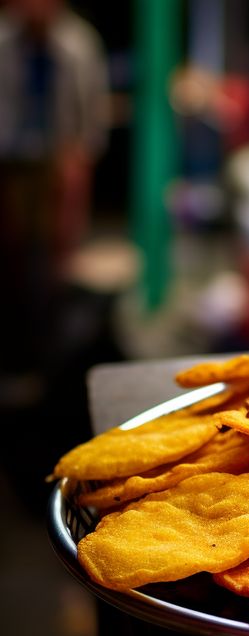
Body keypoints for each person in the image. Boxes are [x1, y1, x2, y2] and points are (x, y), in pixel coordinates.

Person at [0, 0, 109, 396]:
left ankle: (49, 370)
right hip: (10, 162)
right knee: (11, 258)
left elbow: (93, 112)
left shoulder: (77, 42)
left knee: (53, 262)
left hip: (57, 162)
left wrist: (80, 161)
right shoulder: (5, 39)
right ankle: (13, 360)